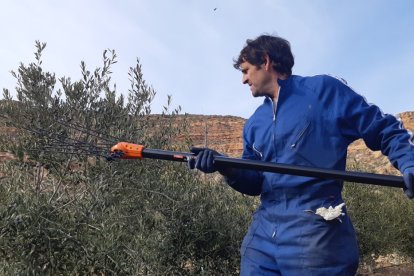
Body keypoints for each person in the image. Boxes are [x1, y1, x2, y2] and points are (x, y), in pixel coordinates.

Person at [188, 34, 414, 275]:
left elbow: (384, 128)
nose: (243, 79)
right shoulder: (254, 123)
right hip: (262, 238)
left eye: (245, 70)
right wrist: (226, 166)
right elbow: (254, 182)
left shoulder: (323, 91)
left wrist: (409, 162)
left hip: (317, 234)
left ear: (265, 62)